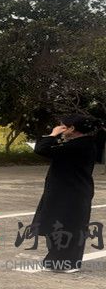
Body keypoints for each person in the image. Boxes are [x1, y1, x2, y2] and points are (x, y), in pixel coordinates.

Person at [32, 115, 98, 273]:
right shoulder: (82, 143)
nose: (60, 128)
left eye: (63, 126)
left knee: (67, 226)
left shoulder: (79, 145)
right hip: (67, 191)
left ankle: (65, 263)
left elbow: (41, 149)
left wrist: (52, 134)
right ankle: (57, 261)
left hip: (71, 193)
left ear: (72, 128)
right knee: (59, 225)